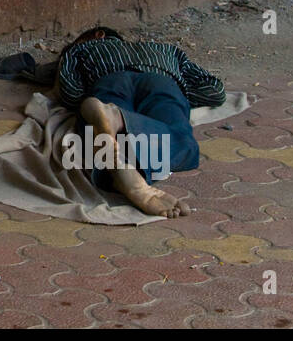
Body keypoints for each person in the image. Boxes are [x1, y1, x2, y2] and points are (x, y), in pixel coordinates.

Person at [56, 26, 225, 218]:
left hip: (110, 81)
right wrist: (180, 95)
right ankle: (125, 137)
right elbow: (214, 91)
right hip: (162, 82)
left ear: (98, 35)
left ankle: (117, 131)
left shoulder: (80, 49)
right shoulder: (168, 50)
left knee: (99, 134)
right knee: (182, 142)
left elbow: (69, 92)